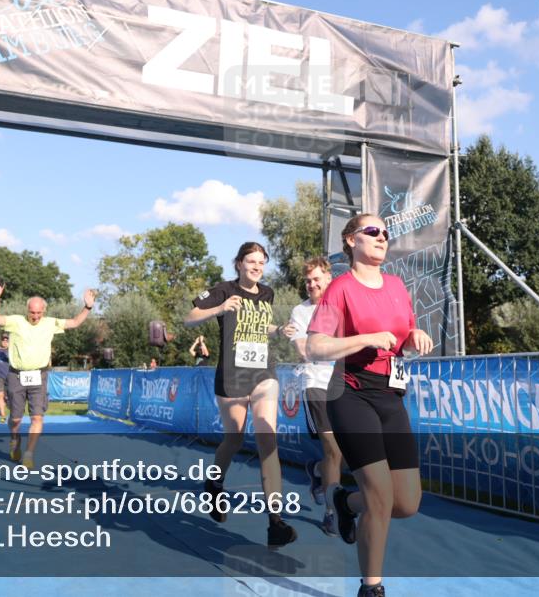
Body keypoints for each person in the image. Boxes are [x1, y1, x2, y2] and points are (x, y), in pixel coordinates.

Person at [306, 214, 434, 597]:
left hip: (390, 396)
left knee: (407, 502)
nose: (382, 237)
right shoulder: (340, 289)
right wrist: (362, 339)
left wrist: (416, 334)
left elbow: (404, 334)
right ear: (350, 241)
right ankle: (371, 588)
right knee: (379, 495)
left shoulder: (397, 286)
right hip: (350, 393)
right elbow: (315, 346)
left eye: (385, 233)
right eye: (373, 231)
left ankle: (344, 501)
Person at [185, 242, 297, 549]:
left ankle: (276, 522)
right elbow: (189, 317)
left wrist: (278, 330)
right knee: (233, 439)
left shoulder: (268, 294)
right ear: (239, 263)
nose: (257, 267)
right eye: (251, 261)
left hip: (262, 373)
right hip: (232, 377)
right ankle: (214, 483)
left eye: (261, 262)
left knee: (267, 440)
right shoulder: (223, 290)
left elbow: (259, 327)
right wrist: (219, 309)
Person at [0, 285, 96, 469]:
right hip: (16, 375)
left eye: (39, 312)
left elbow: (75, 322)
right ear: (27, 310)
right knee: (15, 419)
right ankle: (14, 440)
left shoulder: (50, 323)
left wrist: (87, 307)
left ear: (44, 311)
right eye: (32, 312)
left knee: (37, 417)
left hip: (39, 375)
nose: (35, 316)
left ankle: (29, 454)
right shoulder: (16, 321)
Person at [284, 256, 342, 536]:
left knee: (343, 451)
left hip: (345, 381)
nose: (311, 284)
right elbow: (306, 351)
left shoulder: (341, 305)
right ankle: (331, 513)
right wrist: (340, 346)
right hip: (315, 381)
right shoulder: (300, 312)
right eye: (307, 280)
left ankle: (318, 471)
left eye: (316, 279)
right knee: (334, 448)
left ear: (329, 279)